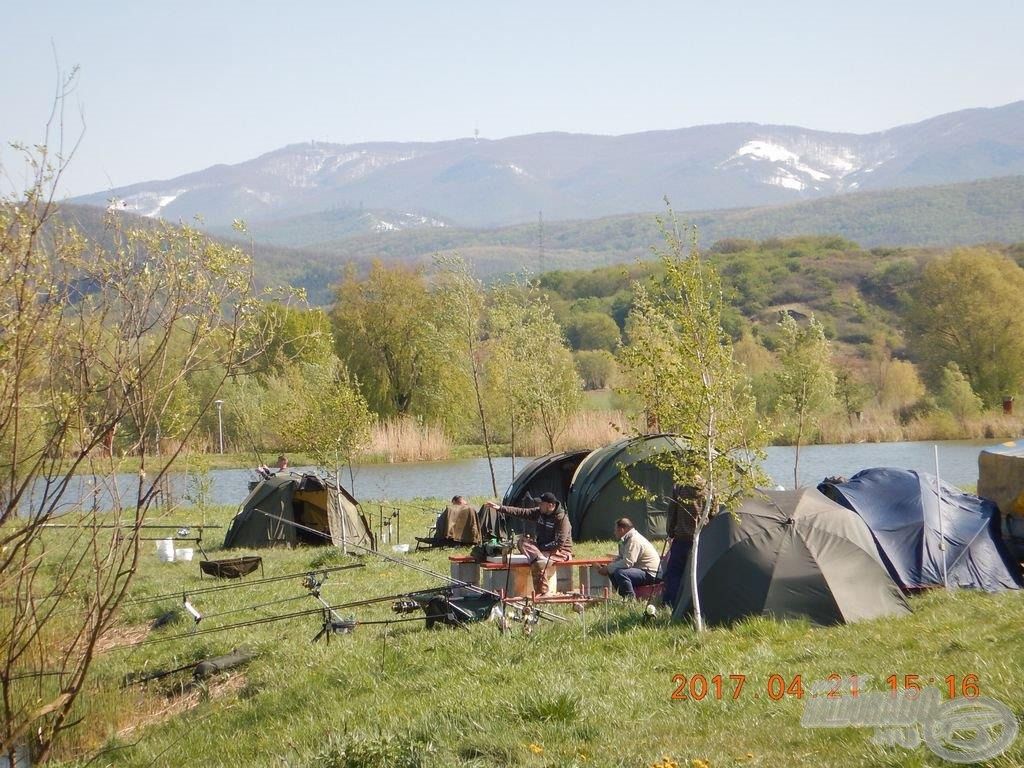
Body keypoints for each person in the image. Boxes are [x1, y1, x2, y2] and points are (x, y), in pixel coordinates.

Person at [483, 492, 572, 595]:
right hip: (541, 550)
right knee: (522, 541)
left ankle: (543, 592)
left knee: (537, 563)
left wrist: (542, 549)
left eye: (541, 504)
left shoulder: (561, 519)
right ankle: (539, 558)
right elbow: (522, 512)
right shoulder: (540, 513)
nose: (539, 506)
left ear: (550, 505)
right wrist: (500, 508)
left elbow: (559, 543)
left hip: (560, 552)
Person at [661, 481, 706, 608]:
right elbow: (713, 513)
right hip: (701, 538)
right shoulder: (709, 489)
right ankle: (695, 605)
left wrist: (670, 531)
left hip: (681, 538)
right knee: (698, 573)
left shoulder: (679, 488)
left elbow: (672, 512)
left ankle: (670, 604)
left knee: (674, 573)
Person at [598, 517, 661, 599]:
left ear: (622, 529)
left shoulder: (634, 540)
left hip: (652, 574)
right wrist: (609, 567)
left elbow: (627, 563)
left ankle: (630, 600)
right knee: (613, 571)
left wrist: (609, 568)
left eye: (615, 530)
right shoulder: (626, 540)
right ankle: (625, 597)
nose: (614, 532)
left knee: (620, 573)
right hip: (643, 570)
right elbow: (621, 558)